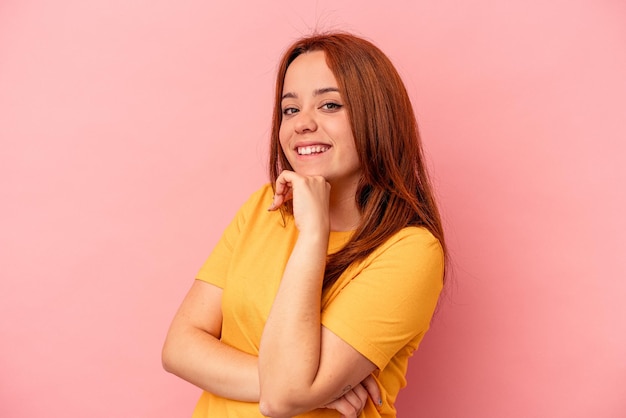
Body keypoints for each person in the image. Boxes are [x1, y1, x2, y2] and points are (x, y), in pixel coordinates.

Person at [162, 32, 446, 418]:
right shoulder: (264, 207)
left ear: (377, 117)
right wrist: (304, 387)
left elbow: (282, 401)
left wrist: (314, 233)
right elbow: (179, 347)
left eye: (329, 105)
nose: (301, 125)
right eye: (290, 110)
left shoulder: (411, 250)